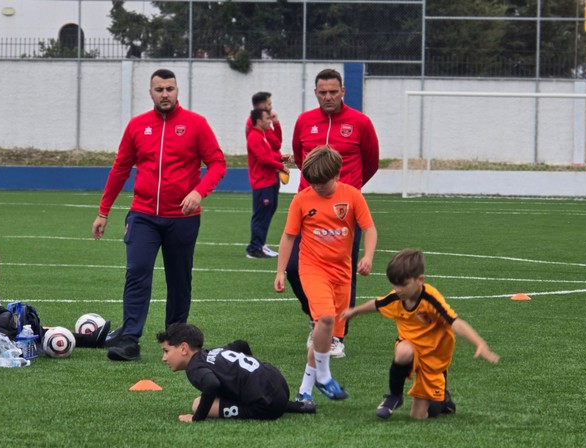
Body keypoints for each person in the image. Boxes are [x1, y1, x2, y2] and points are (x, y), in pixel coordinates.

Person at [91, 68, 226, 362]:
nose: (165, 94)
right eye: (159, 89)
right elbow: (120, 169)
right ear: (150, 92)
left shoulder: (196, 124)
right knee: (137, 273)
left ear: (177, 91)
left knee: (179, 279)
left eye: (170, 89)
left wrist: (199, 192)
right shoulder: (138, 126)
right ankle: (128, 340)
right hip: (143, 215)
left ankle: (175, 340)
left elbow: (217, 163)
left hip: (183, 218)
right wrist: (104, 211)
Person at [340, 249, 500, 421]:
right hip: (410, 346)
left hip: (433, 356)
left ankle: (443, 400)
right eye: (394, 284)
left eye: (403, 284)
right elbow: (377, 304)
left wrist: (479, 343)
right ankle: (394, 396)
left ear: (420, 280)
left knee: (419, 416)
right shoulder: (396, 297)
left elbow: (455, 323)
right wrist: (355, 311)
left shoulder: (431, 299)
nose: (398, 289)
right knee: (403, 351)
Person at [287, 68, 380, 357]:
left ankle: (336, 335)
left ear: (343, 92)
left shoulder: (360, 123)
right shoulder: (304, 121)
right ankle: (317, 318)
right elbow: (301, 159)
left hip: (343, 213)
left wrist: (348, 192)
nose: (328, 97)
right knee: (293, 268)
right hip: (309, 209)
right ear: (315, 93)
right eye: (322, 92)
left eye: (333, 92)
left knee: (343, 274)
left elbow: (372, 162)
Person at [274, 145, 377, 406]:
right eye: (313, 183)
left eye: (322, 183)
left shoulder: (352, 197)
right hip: (312, 269)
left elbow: (369, 229)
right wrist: (280, 271)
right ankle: (324, 376)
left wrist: (367, 256)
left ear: (337, 174)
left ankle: (304, 393)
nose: (317, 187)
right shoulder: (302, 200)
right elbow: (288, 237)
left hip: (342, 274)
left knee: (325, 335)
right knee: (326, 318)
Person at [0, 244, 109, 353]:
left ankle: (94, 339)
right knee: (40, 330)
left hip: (0, 323)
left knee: (42, 328)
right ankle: (92, 340)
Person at [157, 322, 316, 422]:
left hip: (267, 407)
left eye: (166, 351)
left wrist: (197, 417)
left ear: (184, 348)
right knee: (231, 389)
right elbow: (241, 344)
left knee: (197, 404)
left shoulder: (194, 368)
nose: (164, 358)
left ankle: (268, 404)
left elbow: (211, 384)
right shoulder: (213, 352)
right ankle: (297, 406)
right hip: (278, 383)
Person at [245, 108, 288, 259]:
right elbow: (263, 159)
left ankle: (260, 245)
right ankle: (254, 248)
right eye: (267, 119)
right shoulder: (254, 137)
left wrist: (281, 158)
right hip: (262, 183)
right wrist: (281, 166)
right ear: (258, 121)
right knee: (261, 216)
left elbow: (271, 154)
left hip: (269, 181)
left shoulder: (262, 136)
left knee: (267, 213)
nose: (269, 121)